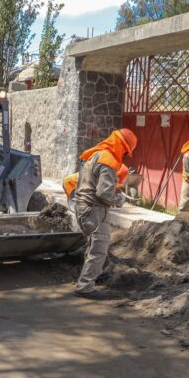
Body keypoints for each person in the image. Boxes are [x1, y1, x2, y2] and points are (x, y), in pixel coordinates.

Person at [74, 128, 138, 300]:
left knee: (92, 244)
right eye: (127, 152)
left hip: (83, 207)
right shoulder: (108, 161)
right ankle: (85, 286)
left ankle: (95, 273)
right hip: (94, 209)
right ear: (122, 147)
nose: (125, 155)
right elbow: (104, 194)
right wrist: (118, 199)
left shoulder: (96, 155)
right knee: (99, 248)